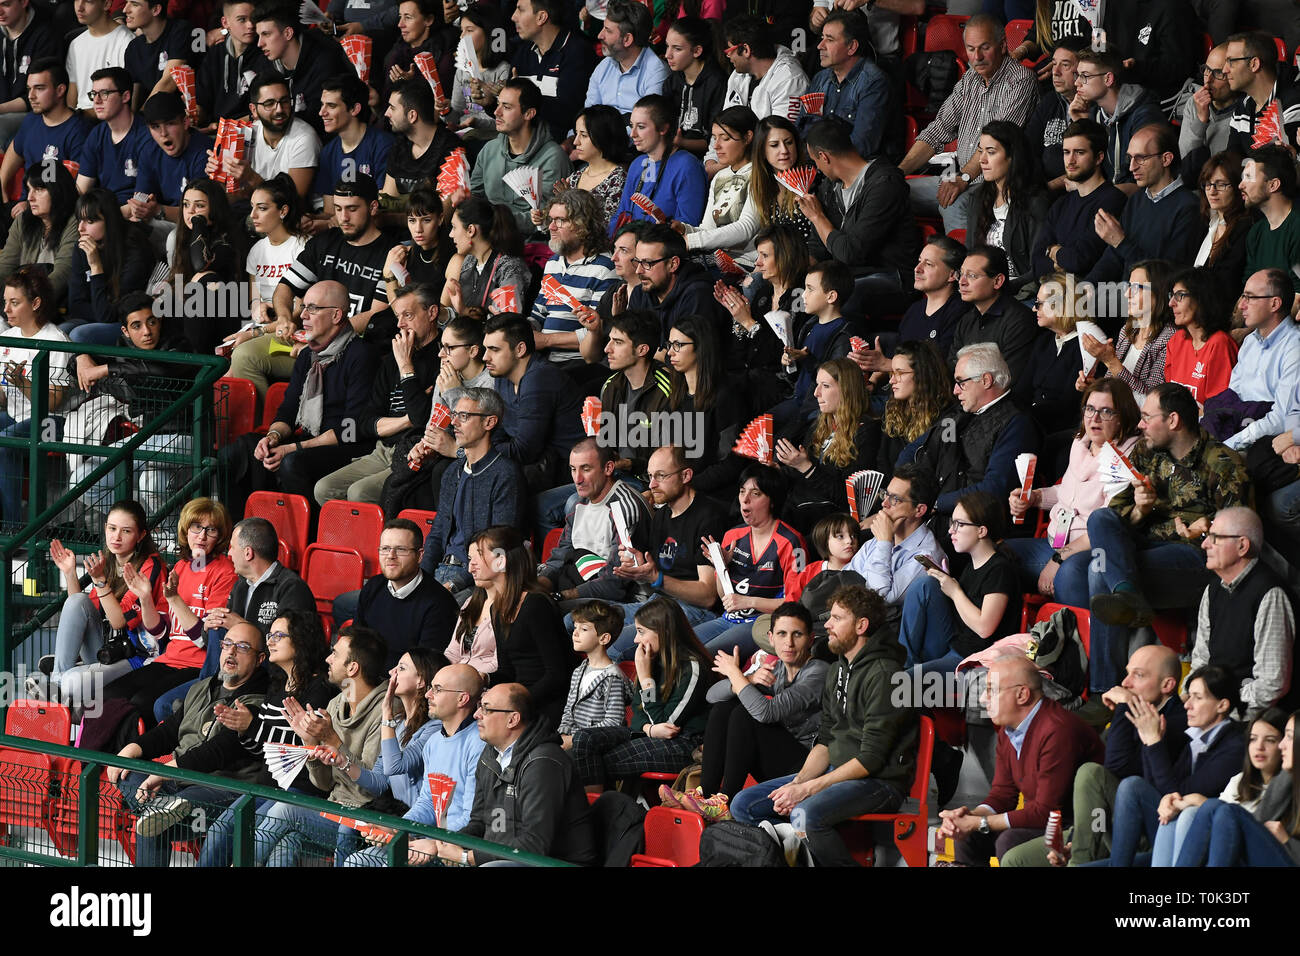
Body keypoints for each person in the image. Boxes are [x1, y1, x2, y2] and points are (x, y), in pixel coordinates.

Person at [731, 584, 917, 867]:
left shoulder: (885, 674)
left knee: (805, 813)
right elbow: (827, 738)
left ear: (861, 625)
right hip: (837, 770)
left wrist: (808, 790)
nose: (827, 624)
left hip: (880, 781)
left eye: (837, 618)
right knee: (743, 806)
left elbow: (871, 759)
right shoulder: (839, 668)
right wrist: (798, 781)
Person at [1085, 383, 1249, 698]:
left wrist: (1207, 529)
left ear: (1173, 421)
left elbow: (1242, 531)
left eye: (1147, 417)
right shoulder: (1147, 452)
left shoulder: (1222, 462)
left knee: (1097, 570)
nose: (1140, 425)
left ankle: (1102, 691)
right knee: (1099, 519)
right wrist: (1140, 510)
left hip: (1192, 556)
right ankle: (1128, 594)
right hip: (1142, 546)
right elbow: (1118, 520)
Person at [998, 643, 1186, 867]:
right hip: (1102, 826)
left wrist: (1124, 707)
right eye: (1127, 673)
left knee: (1090, 772)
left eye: (1139, 675)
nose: (1126, 683)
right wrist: (1075, 839)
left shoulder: (1179, 722)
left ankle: (1079, 861)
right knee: (1014, 860)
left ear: (1167, 684)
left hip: (1145, 831)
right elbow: (1102, 788)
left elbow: (1117, 771)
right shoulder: (1135, 712)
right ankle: (1078, 851)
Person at [106, 622, 269, 868]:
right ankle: (162, 810)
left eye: (242, 647)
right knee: (130, 776)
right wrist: (132, 748)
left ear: (260, 659)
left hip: (222, 787)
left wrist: (165, 772)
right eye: (227, 644)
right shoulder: (202, 687)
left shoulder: (259, 703)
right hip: (177, 784)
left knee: (153, 819)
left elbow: (217, 752)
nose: (231, 652)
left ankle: (161, 812)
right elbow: (169, 731)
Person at [219, 279, 377, 515]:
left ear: (336, 315)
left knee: (292, 462)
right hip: (309, 440)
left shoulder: (361, 355)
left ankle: (298, 539)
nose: (303, 315)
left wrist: (293, 448)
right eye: (304, 307)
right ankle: (241, 533)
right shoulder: (307, 356)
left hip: (346, 446)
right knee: (238, 452)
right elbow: (288, 411)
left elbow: (350, 430)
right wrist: (272, 437)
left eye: (312, 308)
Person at [145, 514, 317, 722]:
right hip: (229, 674)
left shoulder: (292, 588)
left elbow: (293, 647)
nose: (228, 554)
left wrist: (242, 626)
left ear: (248, 553)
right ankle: (208, 694)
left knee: (193, 712)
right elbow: (211, 643)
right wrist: (208, 627)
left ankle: (207, 700)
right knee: (163, 705)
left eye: (232, 548)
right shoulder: (241, 584)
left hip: (269, 677)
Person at [197, 609, 333, 868]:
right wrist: (243, 730)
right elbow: (265, 750)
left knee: (254, 842)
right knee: (218, 831)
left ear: (301, 640)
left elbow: (300, 747)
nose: (270, 640)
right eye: (270, 635)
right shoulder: (277, 687)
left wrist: (253, 727)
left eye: (279, 635)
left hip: (299, 790)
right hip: (266, 785)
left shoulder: (320, 690)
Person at [939, 654, 1103, 865]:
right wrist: (967, 817)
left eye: (992, 690)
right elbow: (1002, 795)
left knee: (1010, 841)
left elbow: (1046, 811)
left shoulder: (1058, 730)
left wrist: (978, 822)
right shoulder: (1008, 730)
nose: (982, 699)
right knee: (969, 837)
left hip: (1078, 826)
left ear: (1022, 694)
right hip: (1045, 820)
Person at [679, 601, 829, 816]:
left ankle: (725, 802)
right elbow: (712, 697)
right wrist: (747, 678)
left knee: (744, 715)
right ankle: (706, 795)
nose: (788, 642)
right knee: (725, 708)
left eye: (797, 634)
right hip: (779, 756)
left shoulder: (818, 673)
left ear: (810, 639)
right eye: (782, 634)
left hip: (806, 768)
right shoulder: (776, 669)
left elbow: (765, 713)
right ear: (771, 638)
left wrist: (736, 675)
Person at [256, 624, 387, 866]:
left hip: (364, 820)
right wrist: (310, 742)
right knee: (288, 841)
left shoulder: (386, 712)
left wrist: (332, 740)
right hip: (333, 808)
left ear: (353, 667)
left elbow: (370, 788)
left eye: (335, 654)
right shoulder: (337, 703)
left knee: (284, 811)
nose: (327, 658)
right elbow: (324, 783)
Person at [425, 682, 597, 866]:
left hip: (555, 862)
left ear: (512, 719)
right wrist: (446, 845)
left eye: (486, 709)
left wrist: (468, 858)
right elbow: (479, 822)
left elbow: (534, 844)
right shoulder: (489, 755)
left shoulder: (544, 762)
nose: (476, 715)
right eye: (479, 707)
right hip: (502, 857)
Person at [898, 14, 1039, 233]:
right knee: (891, 192)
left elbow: (995, 143)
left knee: (953, 203)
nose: (977, 57)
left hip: (997, 185)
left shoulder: (1020, 81)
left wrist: (963, 178)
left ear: (1002, 46)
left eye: (984, 48)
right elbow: (938, 130)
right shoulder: (970, 79)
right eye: (971, 49)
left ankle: (965, 266)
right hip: (962, 181)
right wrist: (898, 173)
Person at [1006, 377, 1141, 602]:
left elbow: (1106, 527)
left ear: (1122, 417)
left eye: (1106, 411)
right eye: (1090, 409)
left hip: (1087, 552)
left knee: (1069, 574)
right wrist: (1034, 497)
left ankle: (1070, 634)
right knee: (994, 556)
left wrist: (1057, 560)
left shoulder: (1125, 462)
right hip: (1053, 542)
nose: (1094, 418)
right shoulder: (1082, 443)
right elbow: (1065, 491)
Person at [1099, 666, 1246, 867]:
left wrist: (1154, 743)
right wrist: (1149, 740)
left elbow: (1179, 796)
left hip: (1200, 842)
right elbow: (1157, 790)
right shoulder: (1196, 736)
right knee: (1133, 785)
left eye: (1197, 698)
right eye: (1189, 697)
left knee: (1131, 786)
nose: (1188, 705)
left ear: (1222, 705)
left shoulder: (1234, 747)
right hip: (1169, 830)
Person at [343, 663, 487, 866]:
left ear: (462, 698)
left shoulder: (478, 744)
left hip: (456, 850)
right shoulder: (434, 742)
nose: (428, 694)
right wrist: (398, 829)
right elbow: (427, 802)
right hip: (430, 842)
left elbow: (471, 817)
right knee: (357, 860)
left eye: (437, 689)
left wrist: (433, 844)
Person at [312, 283, 440, 506]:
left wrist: (406, 366)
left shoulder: (442, 358)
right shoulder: (392, 359)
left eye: (408, 315)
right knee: (324, 489)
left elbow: (424, 420)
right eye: (398, 316)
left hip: (415, 452)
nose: (400, 324)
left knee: (360, 493)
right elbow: (365, 422)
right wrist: (405, 420)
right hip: (382, 449)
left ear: (431, 313)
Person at [569, 597, 712, 787]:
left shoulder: (692, 667)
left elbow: (667, 724)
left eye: (641, 632)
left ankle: (596, 811)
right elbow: (637, 715)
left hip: (685, 745)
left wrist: (645, 679)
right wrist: (648, 728)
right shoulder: (651, 659)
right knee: (584, 739)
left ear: (664, 632)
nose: (636, 639)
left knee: (587, 763)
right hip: (647, 733)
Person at [37, 501, 166, 705]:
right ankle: (57, 679)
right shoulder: (109, 560)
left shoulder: (151, 566)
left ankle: (62, 680)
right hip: (108, 650)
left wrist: (100, 582)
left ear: (141, 535)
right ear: (105, 527)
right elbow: (82, 610)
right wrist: (70, 573)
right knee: (77, 600)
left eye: (126, 531)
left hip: (138, 657)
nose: (116, 537)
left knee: (73, 684)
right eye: (112, 528)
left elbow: (119, 622)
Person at [605, 444, 726, 657]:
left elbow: (707, 596)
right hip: (659, 603)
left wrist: (656, 578)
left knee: (613, 646)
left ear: (686, 475)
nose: (651, 484)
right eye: (650, 476)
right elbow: (654, 569)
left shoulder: (710, 517)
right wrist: (638, 563)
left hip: (694, 611)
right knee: (581, 622)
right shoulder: (662, 515)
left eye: (661, 476)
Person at [908, 342, 1039, 531]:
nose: (955, 391)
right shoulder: (957, 415)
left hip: (973, 527)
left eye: (961, 382)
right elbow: (918, 449)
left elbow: (994, 488)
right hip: (933, 514)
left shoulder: (1017, 424)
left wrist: (936, 503)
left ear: (986, 380)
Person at [415, 388, 525, 594]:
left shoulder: (505, 474)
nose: (454, 423)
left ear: (489, 422)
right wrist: (421, 578)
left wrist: (453, 585)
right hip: (440, 571)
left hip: (477, 581)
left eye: (463, 416)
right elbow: (437, 534)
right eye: (454, 415)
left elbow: (500, 546)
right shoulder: (452, 472)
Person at [898, 490, 1021, 672]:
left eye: (959, 524)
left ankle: (906, 673)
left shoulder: (1000, 569)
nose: (951, 530)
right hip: (955, 644)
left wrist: (955, 592)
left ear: (981, 531)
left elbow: (984, 627)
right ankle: (904, 662)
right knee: (925, 585)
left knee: (902, 684)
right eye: (951, 523)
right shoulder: (971, 564)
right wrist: (944, 583)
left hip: (975, 660)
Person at [1190, 506, 1295, 719]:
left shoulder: (1270, 593)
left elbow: (1271, 684)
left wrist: (1221, 709)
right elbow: (1201, 659)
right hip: (1215, 711)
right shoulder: (1213, 589)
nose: (1204, 544)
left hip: (1248, 721)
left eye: (1215, 537)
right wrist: (1193, 697)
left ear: (1242, 545)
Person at [1149, 708, 1288, 867]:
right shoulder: (1240, 780)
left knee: (1194, 812)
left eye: (1270, 740)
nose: (1259, 747)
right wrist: (1175, 799)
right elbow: (1216, 815)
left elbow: (1225, 816)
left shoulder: (1285, 786)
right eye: (1253, 739)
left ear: (1284, 744)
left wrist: (1196, 799)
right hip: (1219, 853)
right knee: (1176, 812)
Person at [695, 465, 806, 658]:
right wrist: (722, 568)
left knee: (704, 654)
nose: (745, 500)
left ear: (772, 501)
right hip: (727, 619)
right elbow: (725, 597)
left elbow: (795, 603)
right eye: (741, 492)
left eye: (755, 493)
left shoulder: (792, 542)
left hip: (761, 622)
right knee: (679, 645)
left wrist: (748, 601)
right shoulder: (733, 535)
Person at [802, 117, 919, 300]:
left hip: (892, 277)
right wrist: (794, 270)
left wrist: (817, 218)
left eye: (815, 161)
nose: (817, 169)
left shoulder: (885, 184)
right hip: (847, 275)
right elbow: (818, 245)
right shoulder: (829, 187)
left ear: (824, 157)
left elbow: (852, 253)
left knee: (837, 296)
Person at [274, 176, 394, 341]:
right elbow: (285, 287)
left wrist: (325, 339)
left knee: (246, 357)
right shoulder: (324, 242)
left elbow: (376, 314)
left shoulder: (392, 252)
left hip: (356, 345)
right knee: (246, 353)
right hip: (310, 337)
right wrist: (283, 318)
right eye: (338, 208)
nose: (343, 217)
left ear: (372, 207)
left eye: (352, 209)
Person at [222, 175, 308, 399]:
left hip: (290, 332)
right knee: (221, 364)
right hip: (263, 326)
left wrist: (257, 332)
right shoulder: (257, 250)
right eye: (252, 207)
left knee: (238, 360)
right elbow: (255, 298)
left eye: (262, 208)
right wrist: (258, 306)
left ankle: (262, 423)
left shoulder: (301, 247)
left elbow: (301, 310)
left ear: (283, 211)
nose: (252, 216)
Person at [539, 437, 653, 604]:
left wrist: (560, 597)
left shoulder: (623, 507)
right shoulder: (578, 504)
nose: (577, 479)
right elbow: (560, 557)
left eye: (585, 469)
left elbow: (615, 584)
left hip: (625, 601)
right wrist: (540, 586)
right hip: (584, 585)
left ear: (608, 468)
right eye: (573, 469)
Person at [1085, 124, 1204, 283]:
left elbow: (1167, 275)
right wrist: (1087, 286)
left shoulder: (1190, 207)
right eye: (1130, 158)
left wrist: (1120, 242)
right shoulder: (1137, 199)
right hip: (1125, 293)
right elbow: (1114, 256)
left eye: (1140, 158)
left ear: (1166, 159)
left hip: (1154, 301)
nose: (1132, 167)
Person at [481, 312, 585, 492]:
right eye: (486, 349)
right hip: (538, 466)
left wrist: (478, 450)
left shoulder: (540, 378)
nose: (485, 357)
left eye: (494, 349)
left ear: (520, 349)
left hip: (569, 470)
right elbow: (497, 429)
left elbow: (524, 451)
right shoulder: (502, 375)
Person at [0, 266, 71, 526]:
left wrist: (22, 383)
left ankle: (13, 529)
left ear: (36, 303)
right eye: (5, 302)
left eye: (15, 303)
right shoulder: (7, 338)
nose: (6, 309)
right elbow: (3, 397)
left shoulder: (56, 340)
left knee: (7, 442)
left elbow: (54, 402)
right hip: (16, 416)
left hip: (54, 422)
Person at [776, 358, 879, 533]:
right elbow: (802, 475)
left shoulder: (868, 431)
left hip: (828, 520)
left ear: (846, 390)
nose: (816, 393)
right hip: (800, 506)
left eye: (825, 386)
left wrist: (806, 467)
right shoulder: (821, 424)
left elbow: (848, 499)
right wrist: (779, 470)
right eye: (817, 385)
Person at [344, 517, 461, 667]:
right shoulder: (373, 586)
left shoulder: (439, 603)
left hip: (402, 684)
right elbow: (357, 642)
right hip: (366, 675)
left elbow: (424, 667)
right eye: (385, 548)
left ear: (419, 556)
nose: (391, 556)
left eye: (401, 549)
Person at [469, 77, 571, 238]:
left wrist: (493, 218)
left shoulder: (553, 158)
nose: (497, 112)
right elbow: (476, 197)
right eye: (498, 104)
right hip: (489, 236)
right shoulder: (489, 150)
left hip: (531, 244)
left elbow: (546, 218)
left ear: (529, 114)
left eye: (507, 107)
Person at [529, 189, 618, 370]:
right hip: (544, 360)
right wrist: (519, 327)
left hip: (580, 364)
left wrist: (546, 340)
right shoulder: (553, 263)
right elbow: (538, 313)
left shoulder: (605, 267)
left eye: (560, 220)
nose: (551, 227)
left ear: (582, 226)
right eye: (551, 220)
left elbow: (597, 329)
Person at [1214, 270, 1300, 452]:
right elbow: (1232, 396)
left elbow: (1281, 419)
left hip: (1263, 443)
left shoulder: (1295, 347)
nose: (1242, 305)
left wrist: (1228, 446)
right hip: (1236, 429)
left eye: (1250, 298)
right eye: (1243, 297)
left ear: (1274, 303)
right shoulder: (1250, 342)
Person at [599, 310, 689, 482]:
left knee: (574, 502)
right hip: (613, 476)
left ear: (642, 350)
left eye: (617, 342)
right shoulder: (610, 386)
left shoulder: (669, 389)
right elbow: (607, 442)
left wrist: (629, 464)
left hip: (648, 482)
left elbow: (671, 460)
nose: (607, 349)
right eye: (610, 340)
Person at [1032, 119, 1128, 279]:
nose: (1070, 160)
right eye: (1066, 152)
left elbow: (1079, 260)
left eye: (1079, 152)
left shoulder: (1112, 200)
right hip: (1051, 295)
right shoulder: (1061, 204)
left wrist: (1052, 250)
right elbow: (1036, 264)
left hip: (1089, 297)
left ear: (1099, 158)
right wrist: (1062, 259)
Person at [1014, 271, 1106, 436]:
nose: (1034, 308)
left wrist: (1023, 419)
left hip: (1060, 430)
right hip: (1030, 422)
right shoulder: (1044, 341)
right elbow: (1022, 390)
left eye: (1040, 303)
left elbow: (1069, 406)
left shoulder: (1088, 344)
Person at [848, 463, 946, 615]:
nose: (884, 503)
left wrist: (884, 544)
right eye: (886, 494)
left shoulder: (927, 556)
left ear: (919, 510)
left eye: (895, 499)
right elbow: (844, 581)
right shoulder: (878, 539)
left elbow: (880, 599)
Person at [205, 71, 319, 201]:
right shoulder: (248, 133)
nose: (279, 109)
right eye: (269, 104)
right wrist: (219, 175)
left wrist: (251, 178)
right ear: (253, 110)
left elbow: (292, 203)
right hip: (256, 211)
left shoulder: (304, 138)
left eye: (284, 101)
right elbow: (237, 197)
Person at [966, 120, 1049, 296]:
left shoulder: (1035, 201)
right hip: (982, 290)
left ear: (1012, 156)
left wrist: (1001, 288)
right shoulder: (977, 198)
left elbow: (1039, 266)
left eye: (991, 152)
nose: (982, 159)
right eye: (981, 151)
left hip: (1021, 292)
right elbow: (971, 253)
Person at [165, 179, 246, 353]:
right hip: (190, 324)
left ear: (215, 209)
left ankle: (195, 362)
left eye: (199, 206)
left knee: (207, 280)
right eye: (186, 205)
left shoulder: (227, 242)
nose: (191, 211)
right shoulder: (181, 240)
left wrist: (199, 222)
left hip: (223, 323)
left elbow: (200, 263)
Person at [1078, 260, 1178, 402]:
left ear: (1158, 291)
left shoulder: (1171, 337)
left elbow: (1149, 399)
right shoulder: (1128, 330)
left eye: (1137, 287)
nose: (1127, 294)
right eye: (1129, 286)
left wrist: (1110, 361)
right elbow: (1114, 384)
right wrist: (1094, 386)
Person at [1066, 49, 1163, 193]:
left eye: (1084, 76)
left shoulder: (1145, 116)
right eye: (1077, 75)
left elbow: (1147, 183)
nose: (1077, 83)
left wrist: (1090, 190)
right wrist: (1081, 124)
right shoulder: (1094, 114)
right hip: (1111, 197)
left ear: (1108, 79)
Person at [799, 10, 890, 160]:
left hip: (856, 175)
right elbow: (804, 129)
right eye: (822, 38)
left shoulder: (873, 82)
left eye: (829, 39)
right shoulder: (820, 79)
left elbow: (862, 146)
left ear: (852, 47)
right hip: (820, 166)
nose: (820, 46)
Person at [0, 59, 89, 211]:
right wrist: (1, 184)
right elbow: (16, 149)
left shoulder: (79, 132)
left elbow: (74, 191)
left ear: (60, 90)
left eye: (39, 88)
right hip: (24, 205)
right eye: (29, 89)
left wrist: (31, 206)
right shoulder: (31, 120)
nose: (31, 96)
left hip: (54, 212)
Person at [610, 94, 707, 233]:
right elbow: (622, 214)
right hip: (629, 246)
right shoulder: (637, 164)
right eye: (632, 126)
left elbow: (686, 226)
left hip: (662, 249)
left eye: (641, 127)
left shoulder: (687, 166)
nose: (632, 134)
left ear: (663, 129)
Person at [251, 4, 352, 137]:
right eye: (259, 35)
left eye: (266, 34)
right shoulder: (265, 63)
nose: (260, 43)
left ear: (288, 33)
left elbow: (323, 122)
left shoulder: (325, 64)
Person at [678, 105, 758, 268]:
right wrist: (684, 229)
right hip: (716, 258)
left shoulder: (760, 175)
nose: (716, 146)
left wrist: (691, 240)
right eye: (715, 137)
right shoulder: (720, 176)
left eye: (725, 138)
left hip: (746, 263)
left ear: (748, 137)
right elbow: (708, 230)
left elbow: (745, 229)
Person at [509, 0, 598, 144]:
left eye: (521, 10)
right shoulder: (523, 52)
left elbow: (568, 114)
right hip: (521, 141)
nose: (513, 17)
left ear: (541, 17)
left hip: (558, 147)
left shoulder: (578, 53)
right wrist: (489, 103)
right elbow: (511, 112)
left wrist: (523, 99)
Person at [312, 73, 393, 229]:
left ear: (355, 109)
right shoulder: (328, 152)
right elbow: (331, 212)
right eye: (322, 105)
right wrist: (312, 222)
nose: (321, 112)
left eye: (331, 105)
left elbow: (382, 208)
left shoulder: (384, 146)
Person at [946, 246, 1037, 384]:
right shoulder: (966, 320)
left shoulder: (1020, 321)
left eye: (972, 276)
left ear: (997, 281)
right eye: (961, 274)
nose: (962, 282)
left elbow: (1007, 379)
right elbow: (953, 368)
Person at [557, 600, 630, 760]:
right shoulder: (579, 670)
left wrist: (575, 738)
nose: (575, 633)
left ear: (603, 638)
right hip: (573, 740)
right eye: (575, 628)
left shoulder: (612, 677)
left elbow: (613, 721)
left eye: (583, 629)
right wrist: (562, 734)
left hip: (594, 746)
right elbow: (569, 710)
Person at [131, 92, 213, 232]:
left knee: (173, 239)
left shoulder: (205, 152)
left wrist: (158, 210)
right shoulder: (149, 151)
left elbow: (201, 214)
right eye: (155, 126)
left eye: (169, 124)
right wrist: (139, 208)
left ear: (185, 122)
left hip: (197, 226)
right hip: (163, 220)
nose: (163, 133)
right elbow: (143, 198)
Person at [623, 223, 719, 342]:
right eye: (637, 262)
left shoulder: (697, 294)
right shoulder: (640, 293)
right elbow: (630, 346)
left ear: (673, 264)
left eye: (647, 263)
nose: (638, 271)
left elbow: (685, 356)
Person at [73, 67, 152, 209]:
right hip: (102, 211)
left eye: (104, 93)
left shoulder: (147, 134)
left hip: (134, 216)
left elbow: (142, 199)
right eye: (93, 94)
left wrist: (105, 217)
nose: (96, 100)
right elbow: (81, 190)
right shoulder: (96, 134)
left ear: (126, 96)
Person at [872, 341, 953, 476]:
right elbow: (883, 464)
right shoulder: (892, 410)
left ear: (922, 375)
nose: (892, 380)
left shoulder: (947, 419)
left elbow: (945, 470)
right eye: (892, 373)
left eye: (900, 373)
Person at [1164, 266, 1239, 409]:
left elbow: (1218, 409)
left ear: (1201, 298)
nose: (1171, 303)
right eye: (1171, 296)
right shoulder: (1176, 340)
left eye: (1179, 295)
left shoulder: (1220, 343)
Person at [0, 162, 76, 304]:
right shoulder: (23, 221)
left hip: (56, 308)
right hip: (20, 306)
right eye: (29, 190)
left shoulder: (75, 221)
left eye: (39, 189)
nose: (30, 197)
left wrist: (29, 301)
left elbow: (64, 273)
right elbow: (5, 267)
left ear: (57, 190)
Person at [716, 15, 808, 132]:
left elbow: (780, 138)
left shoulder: (790, 79)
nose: (728, 56)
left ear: (746, 50)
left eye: (729, 50)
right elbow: (724, 127)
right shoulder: (737, 76)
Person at [443, 196, 531, 316]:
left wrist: (464, 313)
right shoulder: (469, 261)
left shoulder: (510, 268)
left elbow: (507, 323)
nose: (450, 234)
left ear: (470, 230)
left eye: (454, 227)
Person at [441, 3, 511, 149]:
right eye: (462, 31)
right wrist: (444, 111)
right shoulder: (462, 69)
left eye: (469, 30)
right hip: (465, 134)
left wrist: (475, 122)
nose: (462, 36)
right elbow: (457, 112)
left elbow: (503, 119)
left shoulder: (502, 69)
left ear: (488, 32)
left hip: (493, 139)